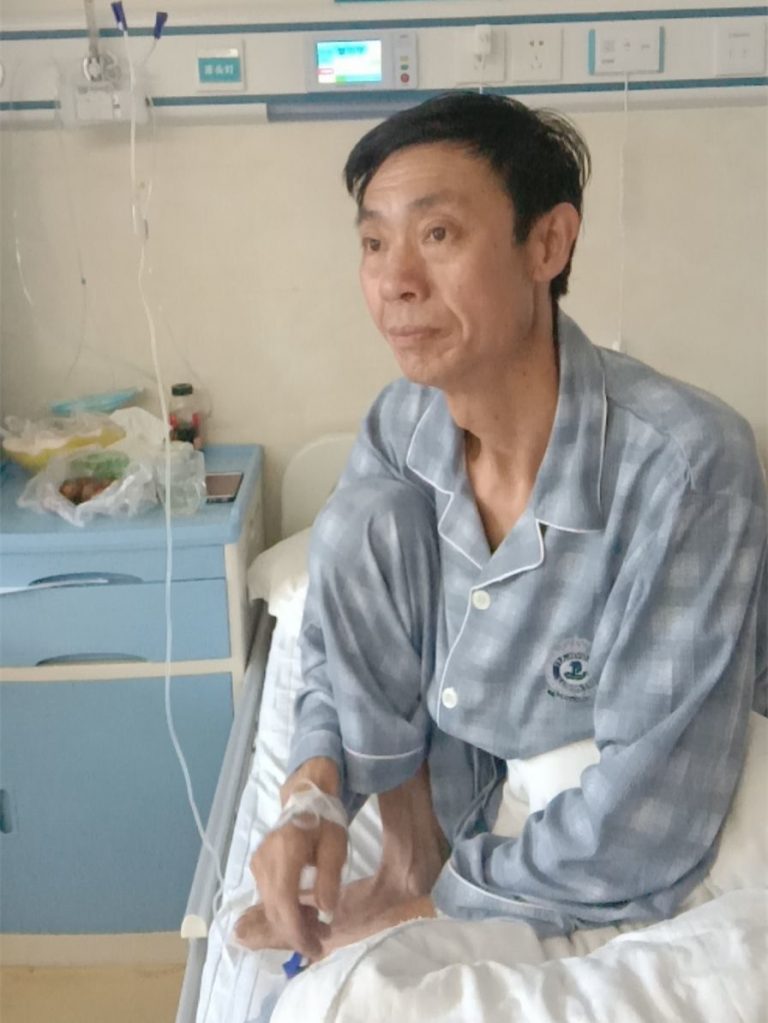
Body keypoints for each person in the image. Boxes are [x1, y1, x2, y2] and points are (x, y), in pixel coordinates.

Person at [237, 91, 767, 961]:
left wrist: (434, 911)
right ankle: (407, 849)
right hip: (452, 792)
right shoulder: (401, 427)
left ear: (547, 244)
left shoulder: (687, 470)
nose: (396, 281)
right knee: (356, 522)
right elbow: (344, 638)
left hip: (605, 825)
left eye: (437, 234)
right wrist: (313, 792)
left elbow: (651, 813)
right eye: (374, 244)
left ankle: (424, 879)